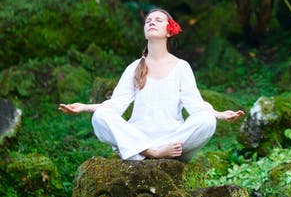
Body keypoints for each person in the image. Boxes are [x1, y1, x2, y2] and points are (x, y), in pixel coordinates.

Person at [59, 8, 243, 161]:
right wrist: (84, 107)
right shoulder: (134, 68)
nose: (151, 23)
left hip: (173, 141)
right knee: (99, 117)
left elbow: (196, 106)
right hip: (139, 138)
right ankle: (150, 152)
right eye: (148, 21)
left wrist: (220, 115)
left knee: (207, 121)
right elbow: (115, 105)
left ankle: (156, 150)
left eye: (158, 20)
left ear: (169, 31)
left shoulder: (181, 67)